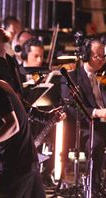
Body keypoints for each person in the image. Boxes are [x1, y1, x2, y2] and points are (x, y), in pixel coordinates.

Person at [61, 38, 106, 196]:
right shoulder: (72, 77)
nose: (102, 60)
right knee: (98, 142)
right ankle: (94, 188)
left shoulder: (103, 77)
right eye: (98, 56)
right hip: (85, 127)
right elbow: (73, 109)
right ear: (86, 56)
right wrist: (98, 112)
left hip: (103, 124)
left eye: (104, 56)